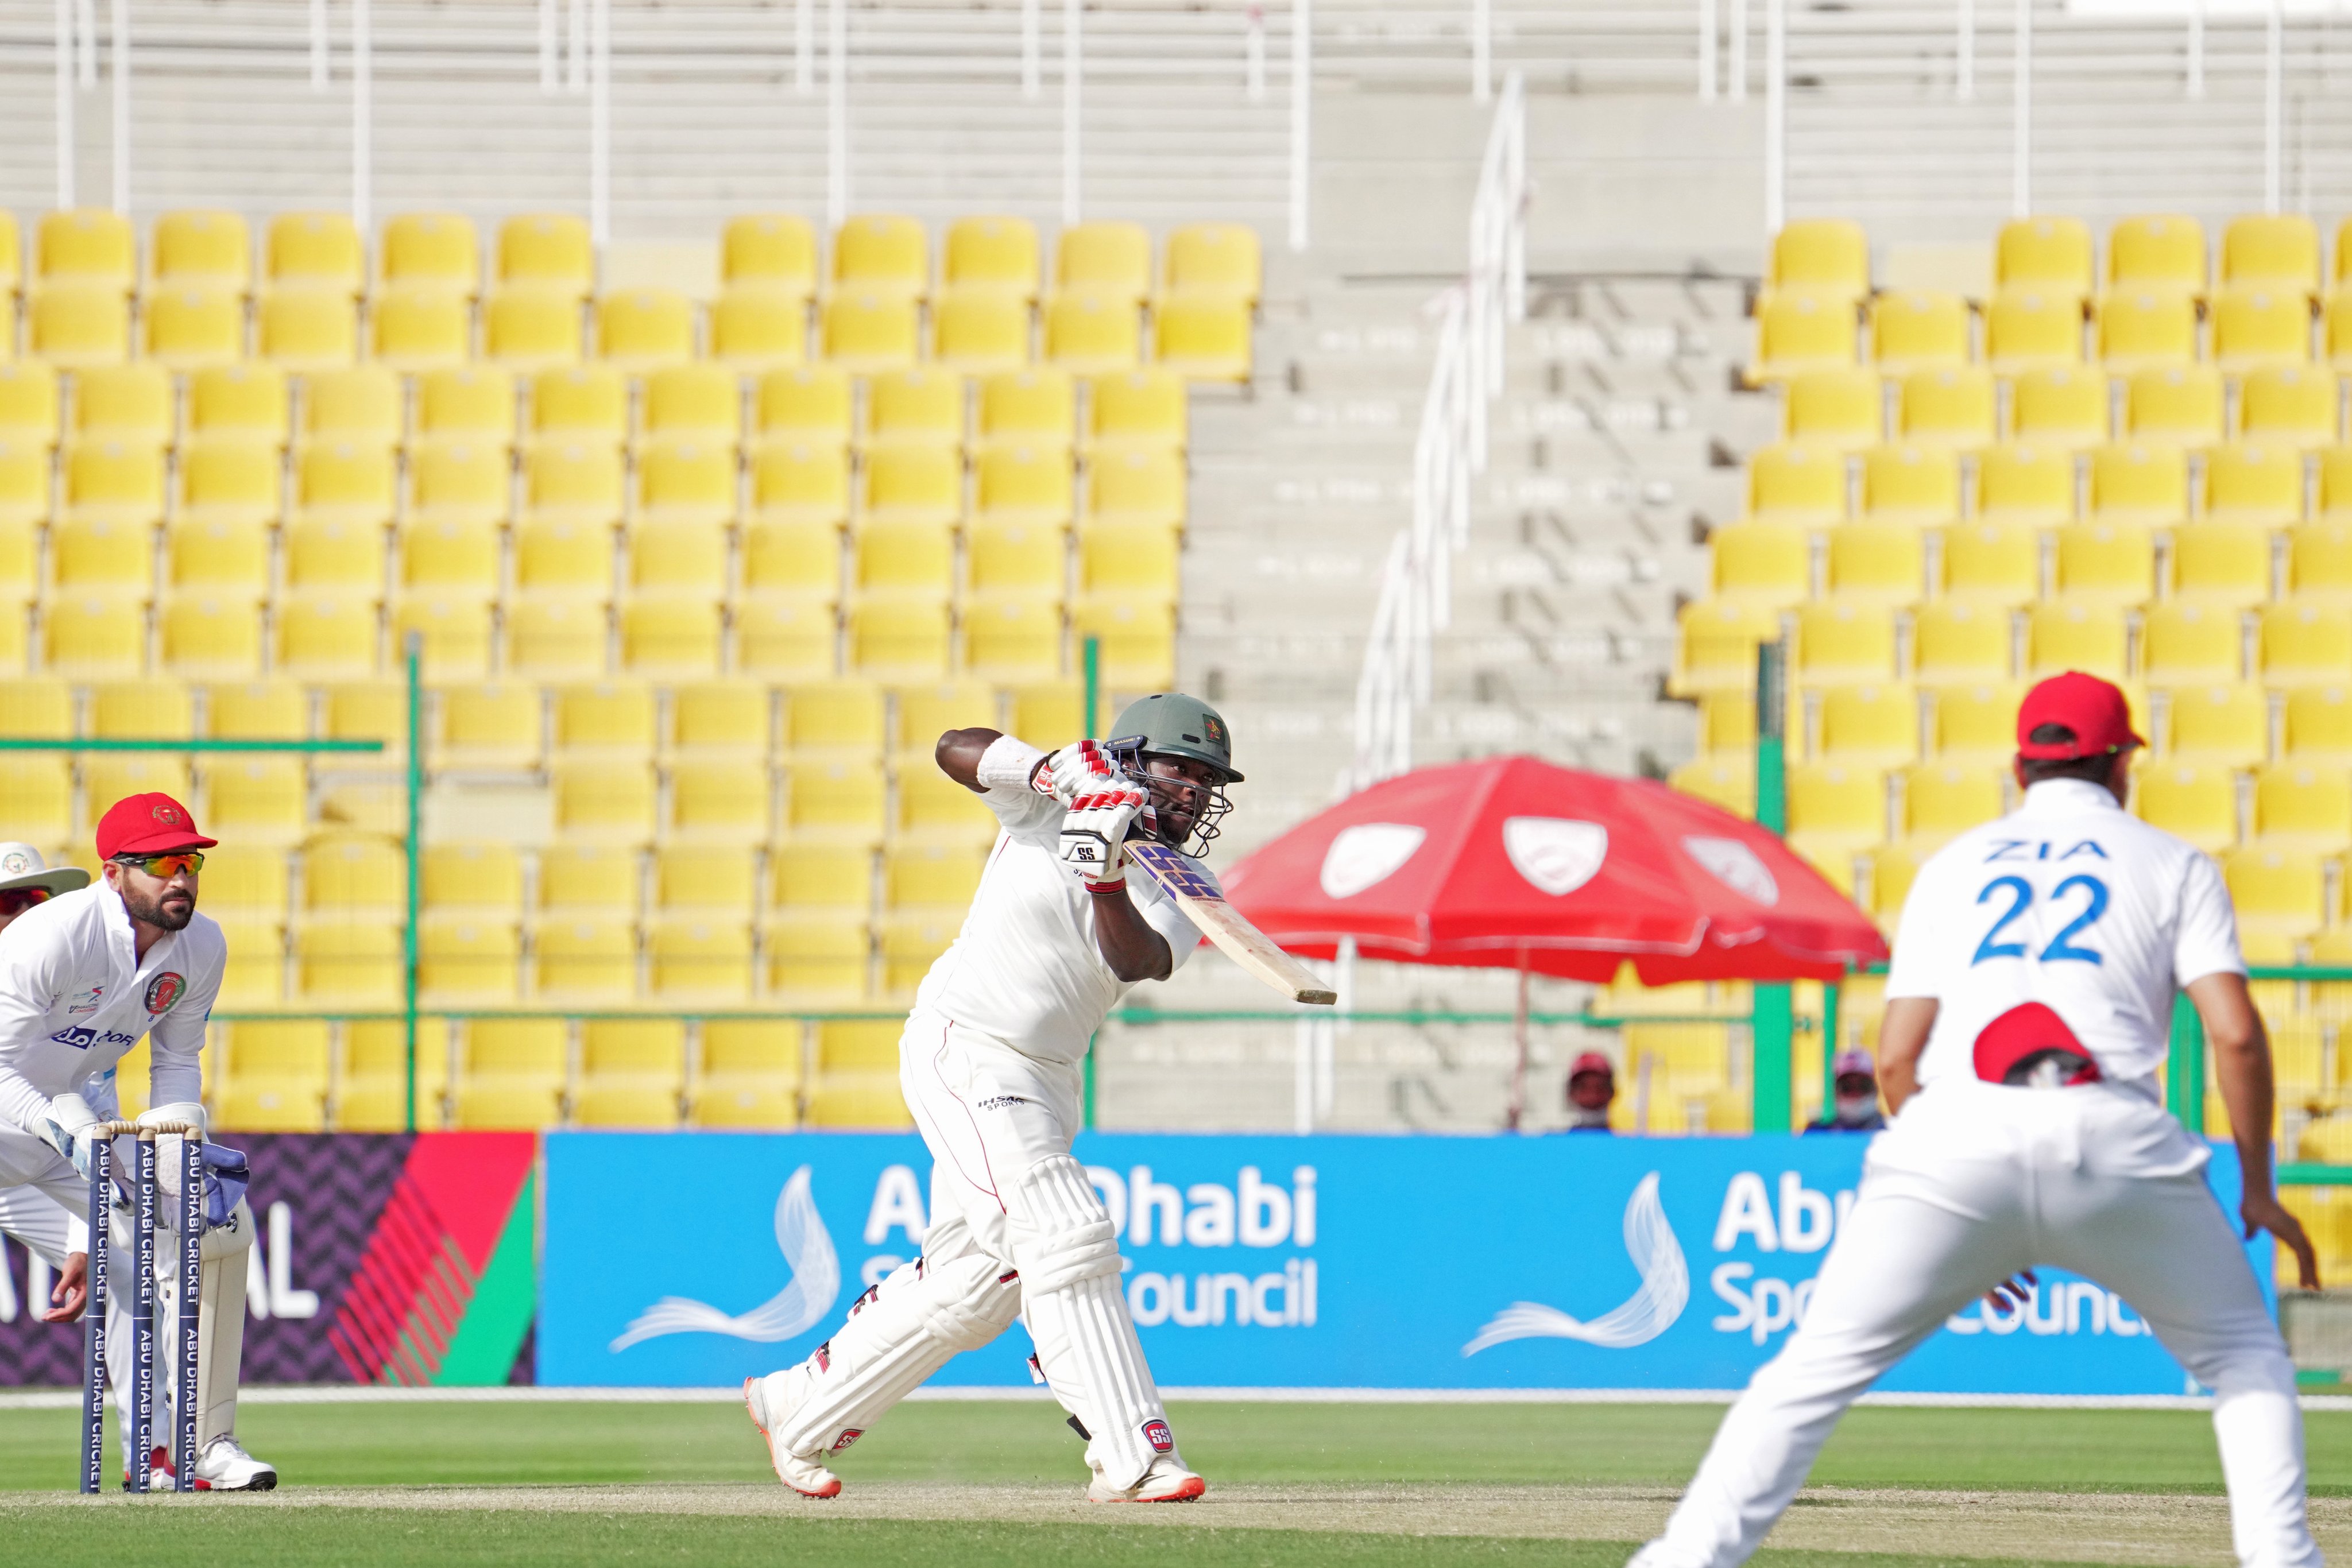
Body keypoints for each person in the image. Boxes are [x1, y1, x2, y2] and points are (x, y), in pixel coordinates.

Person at [1629, 670, 2321, 1568]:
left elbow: (1895, 1057)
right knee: (2243, 1354)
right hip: (2109, 1123)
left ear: (2020, 767)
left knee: (1808, 1372)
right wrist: (2258, 1187)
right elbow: (2235, 1034)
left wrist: (1970, 1206)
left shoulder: (1953, 865)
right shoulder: (2174, 861)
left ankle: (1681, 1559)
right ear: (2122, 764)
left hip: (1955, 1125)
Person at [744, 694, 1243, 1504]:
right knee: (1063, 1230)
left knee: (981, 1281)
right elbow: (955, 746)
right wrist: (1049, 771)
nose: (1192, 791)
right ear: (1129, 758)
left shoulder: (1187, 878)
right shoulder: (1049, 804)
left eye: (1206, 780)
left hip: (1048, 1077)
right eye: (1177, 768)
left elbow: (1138, 962)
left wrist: (1104, 875)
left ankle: (798, 1404)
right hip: (966, 1046)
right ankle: (1133, 1452)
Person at [0, 795, 274, 1490]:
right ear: (114, 872)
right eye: (161, 863)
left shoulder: (201, 945)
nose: (180, 876)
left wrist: (178, 1161)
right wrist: (66, 1133)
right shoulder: (49, 939)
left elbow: (172, 1065)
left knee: (211, 1231)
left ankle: (186, 1449)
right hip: (33, 1120)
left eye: (190, 861)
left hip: (54, 1129)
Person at [0, 844, 95, 1326]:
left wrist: (84, 1243)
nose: (22, 913)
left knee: (121, 1270)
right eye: (5, 901)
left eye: (35, 899)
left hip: (41, 1157)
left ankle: (157, 1392)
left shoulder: (84, 992)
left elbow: (94, 1111)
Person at [1802, 1049, 1886, 1133]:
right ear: (1835, 1091)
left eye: (1864, 1086)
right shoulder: (1817, 1133)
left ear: (1875, 1089)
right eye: (1846, 1087)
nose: (1855, 1094)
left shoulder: (1889, 1132)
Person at [1561, 1052, 1616, 1132]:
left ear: (1612, 1092)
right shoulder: (1557, 1140)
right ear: (1571, 1093)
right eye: (1584, 1088)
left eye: (1600, 1088)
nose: (1592, 1097)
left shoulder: (1626, 1138)